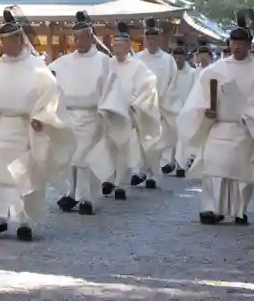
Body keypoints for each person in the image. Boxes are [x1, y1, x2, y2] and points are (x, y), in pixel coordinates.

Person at [0, 19, 75, 241]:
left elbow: (51, 96)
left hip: (25, 129)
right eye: (3, 42)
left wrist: (42, 117)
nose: (6, 46)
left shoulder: (38, 68)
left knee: (23, 177)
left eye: (10, 41)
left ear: (20, 40)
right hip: (0, 128)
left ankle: (23, 222)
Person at [177, 13, 254, 225]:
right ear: (229, 44)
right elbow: (200, 95)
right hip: (219, 126)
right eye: (234, 43)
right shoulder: (215, 69)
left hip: (246, 128)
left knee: (241, 174)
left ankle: (238, 210)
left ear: (248, 45)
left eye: (242, 43)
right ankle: (211, 209)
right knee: (214, 169)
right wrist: (205, 111)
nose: (237, 47)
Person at [49, 14, 130, 214]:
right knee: (70, 157)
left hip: (92, 115)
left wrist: (107, 110)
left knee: (85, 158)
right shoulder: (63, 62)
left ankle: (87, 199)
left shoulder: (104, 61)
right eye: (74, 38)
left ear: (90, 37)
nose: (77, 42)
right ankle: (71, 193)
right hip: (68, 114)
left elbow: (113, 88)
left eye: (81, 38)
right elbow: (49, 79)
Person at [106, 22, 160, 200]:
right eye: (115, 45)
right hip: (108, 112)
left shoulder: (138, 66)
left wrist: (134, 103)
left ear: (128, 46)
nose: (117, 48)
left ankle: (120, 184)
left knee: (123, 147)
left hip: (127, 112)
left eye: (121, 45)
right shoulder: (107, 64)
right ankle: (109, 179)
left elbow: (148, 85)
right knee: (108, 147)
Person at [133, 18, 179, 188]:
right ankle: (142, 170)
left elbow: (172, 83)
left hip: (159, 105)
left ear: (159, 38)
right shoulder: (137, 59)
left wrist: (161, 101)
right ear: (144, 38)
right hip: (140, 106)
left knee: (155, 141)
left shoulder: (168, 60)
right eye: (148, 37)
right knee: (140, 140)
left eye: (154, 37)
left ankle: (153, 173)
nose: (151, 41)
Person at [166, 36, 197, 178]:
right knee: (171, 139)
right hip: (170, 111)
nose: (177, 61)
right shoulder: (169, 72)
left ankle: (181, 165)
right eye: (175, 58)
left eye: (180, 58)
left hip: (186, 111)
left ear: (184, 58)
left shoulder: (192, 73)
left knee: (183, 139)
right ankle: (170, 162)